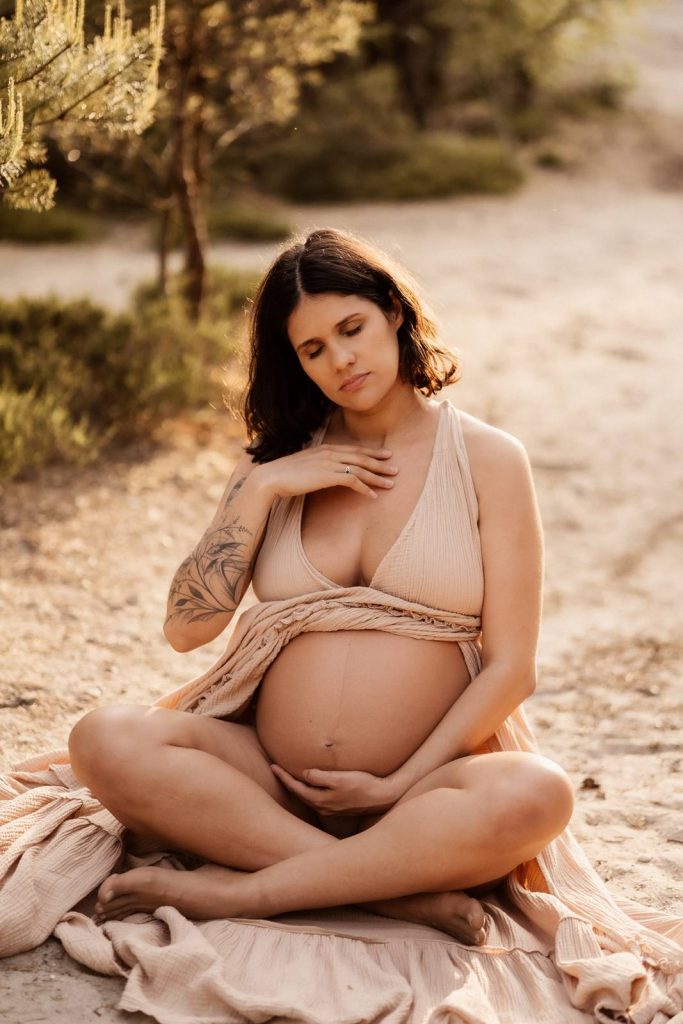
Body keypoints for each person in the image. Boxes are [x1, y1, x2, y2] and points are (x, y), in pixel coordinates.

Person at [67, 226, 576, 942]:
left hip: (421, 792)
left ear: (393, 313)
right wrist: (262, 488)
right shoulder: (272, 466)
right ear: (295, 362)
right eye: (313, 348)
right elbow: (186, 629)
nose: (341, 360)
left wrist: (398, 783)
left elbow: (511, 667)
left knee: (539, 793)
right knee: (103, 739)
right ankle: (387, 892)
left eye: (351, 328)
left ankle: (246, 893)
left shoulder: (489, 459)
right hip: (265, 787)